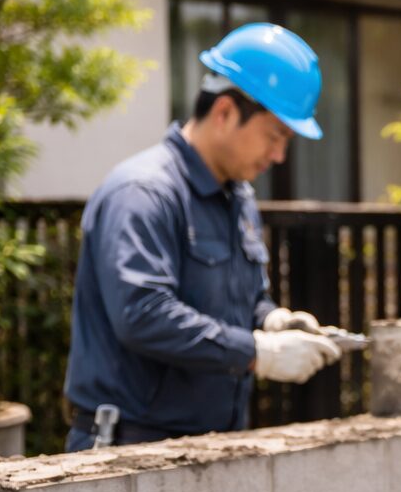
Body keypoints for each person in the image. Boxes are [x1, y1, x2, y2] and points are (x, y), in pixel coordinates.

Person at [64, 23, 342, 451]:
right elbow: (142, 314)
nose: (279, 156)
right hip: (130, 450)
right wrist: (257, 352)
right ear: (226, 112)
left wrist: (273, 320)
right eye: (274, 136)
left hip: (211, 446)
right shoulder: (143, 193)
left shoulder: (237, 198)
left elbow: (241, 302)